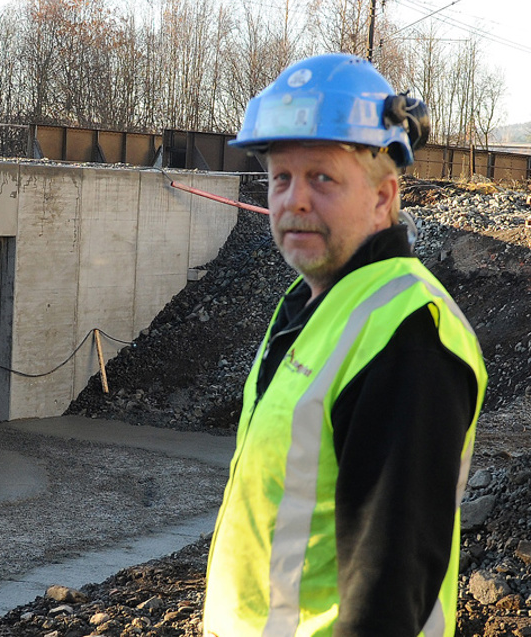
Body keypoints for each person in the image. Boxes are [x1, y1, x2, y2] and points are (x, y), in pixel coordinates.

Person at [202, 53, 488, 637]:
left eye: (322, 178)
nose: (294, 200)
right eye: (282, 178)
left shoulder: (409, 336)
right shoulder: (313, 308)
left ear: (384, 197)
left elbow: (387, 586)